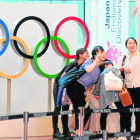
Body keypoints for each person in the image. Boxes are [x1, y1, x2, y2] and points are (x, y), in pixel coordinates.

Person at [66, 46, 105, 136]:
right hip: (73, 86)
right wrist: (95, 60)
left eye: (103, 52)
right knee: (80, 108)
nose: (103, 54)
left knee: (86, 109)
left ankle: (77, 130)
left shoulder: (98, 70)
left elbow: (90, 84)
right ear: (95, 55)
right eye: (101, 52)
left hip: (81, 88)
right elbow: (87, 70)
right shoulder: (89, 61)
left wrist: (87, 95)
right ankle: (77, 131)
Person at [52, 48, 89, 138]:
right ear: (80, 55)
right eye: (86, 53)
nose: (88, 55)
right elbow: (63, 76)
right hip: (59, 85)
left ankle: (65, 130)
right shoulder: (74, 64)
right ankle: (55, 130)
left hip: (67, 86)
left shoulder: (83, 65)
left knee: (66, 108)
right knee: (57, 107)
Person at [92, 61, 123, 131]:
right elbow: (120, 78)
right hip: (116, 93)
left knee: (103, 115)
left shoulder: (101, 74)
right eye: (109, 64)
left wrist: (97, 94)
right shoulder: (114, 68)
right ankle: (122, 133)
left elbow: (97, 88)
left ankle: (103, 132)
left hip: (104, 95)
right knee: (123, 111)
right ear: (106, 66)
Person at [117, 37, 140, 133]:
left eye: (134, 43)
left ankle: (137, 132)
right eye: (129, 43)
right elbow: (116, 70)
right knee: (127, 112)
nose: (132, 45)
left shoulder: (139, 56)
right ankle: (126, 132)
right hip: (127, 88)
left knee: (138, 112)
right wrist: (123, 68)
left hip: (138, 87)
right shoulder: (123, 58)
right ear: (126, 46)